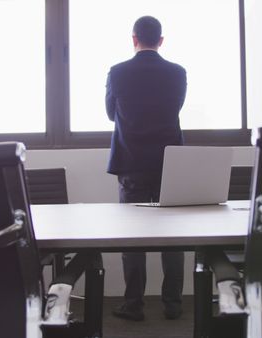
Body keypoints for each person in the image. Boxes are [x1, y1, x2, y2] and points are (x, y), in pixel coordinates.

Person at [105, 15, 187, 321]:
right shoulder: (177, 73)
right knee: (172, 240)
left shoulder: (118, 72)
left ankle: (134, 304)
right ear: (161, 40)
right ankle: (174, 306)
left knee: (133, 239)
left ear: (134, 38)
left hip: (132, 165)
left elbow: (111, 114)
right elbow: (173, 109)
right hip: (170, 166)